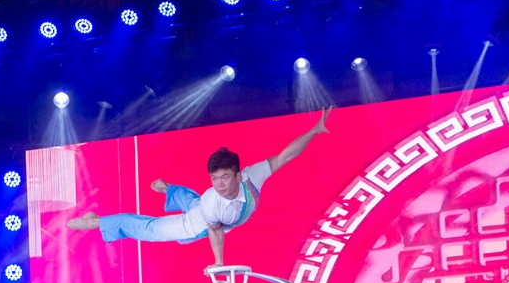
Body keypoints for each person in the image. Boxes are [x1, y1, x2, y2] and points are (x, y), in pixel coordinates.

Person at [66, 108, 331, 265]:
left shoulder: (253, 176)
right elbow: (215, 232)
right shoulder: (214, 201)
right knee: (149, 228)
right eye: (214, 179)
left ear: (239, 175)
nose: (219, 184)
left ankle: (168, 189)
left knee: (191, 199)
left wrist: (314, 130)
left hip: (201, 205)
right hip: (195, 223)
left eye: (224, 178)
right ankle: (97, 221)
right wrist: (219, 263)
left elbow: (286, 156)